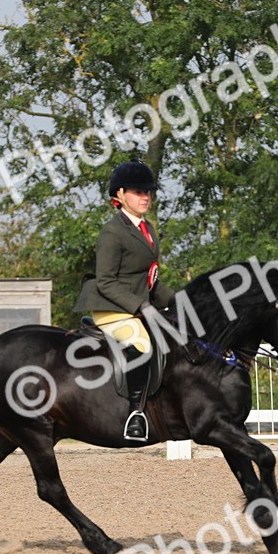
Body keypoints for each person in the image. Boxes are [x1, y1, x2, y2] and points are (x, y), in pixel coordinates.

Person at [75, 160, 175, 441]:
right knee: (142, 345)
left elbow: (150, 280)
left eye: (148, 192)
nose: (145, 197)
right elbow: (105, 281)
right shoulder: (112, 232)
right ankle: (136, 415)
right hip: (110, 307)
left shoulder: (148, 229)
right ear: (119, 195)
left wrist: (181, 301)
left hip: (136, 305)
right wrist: (140, 306)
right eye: (137, 192)